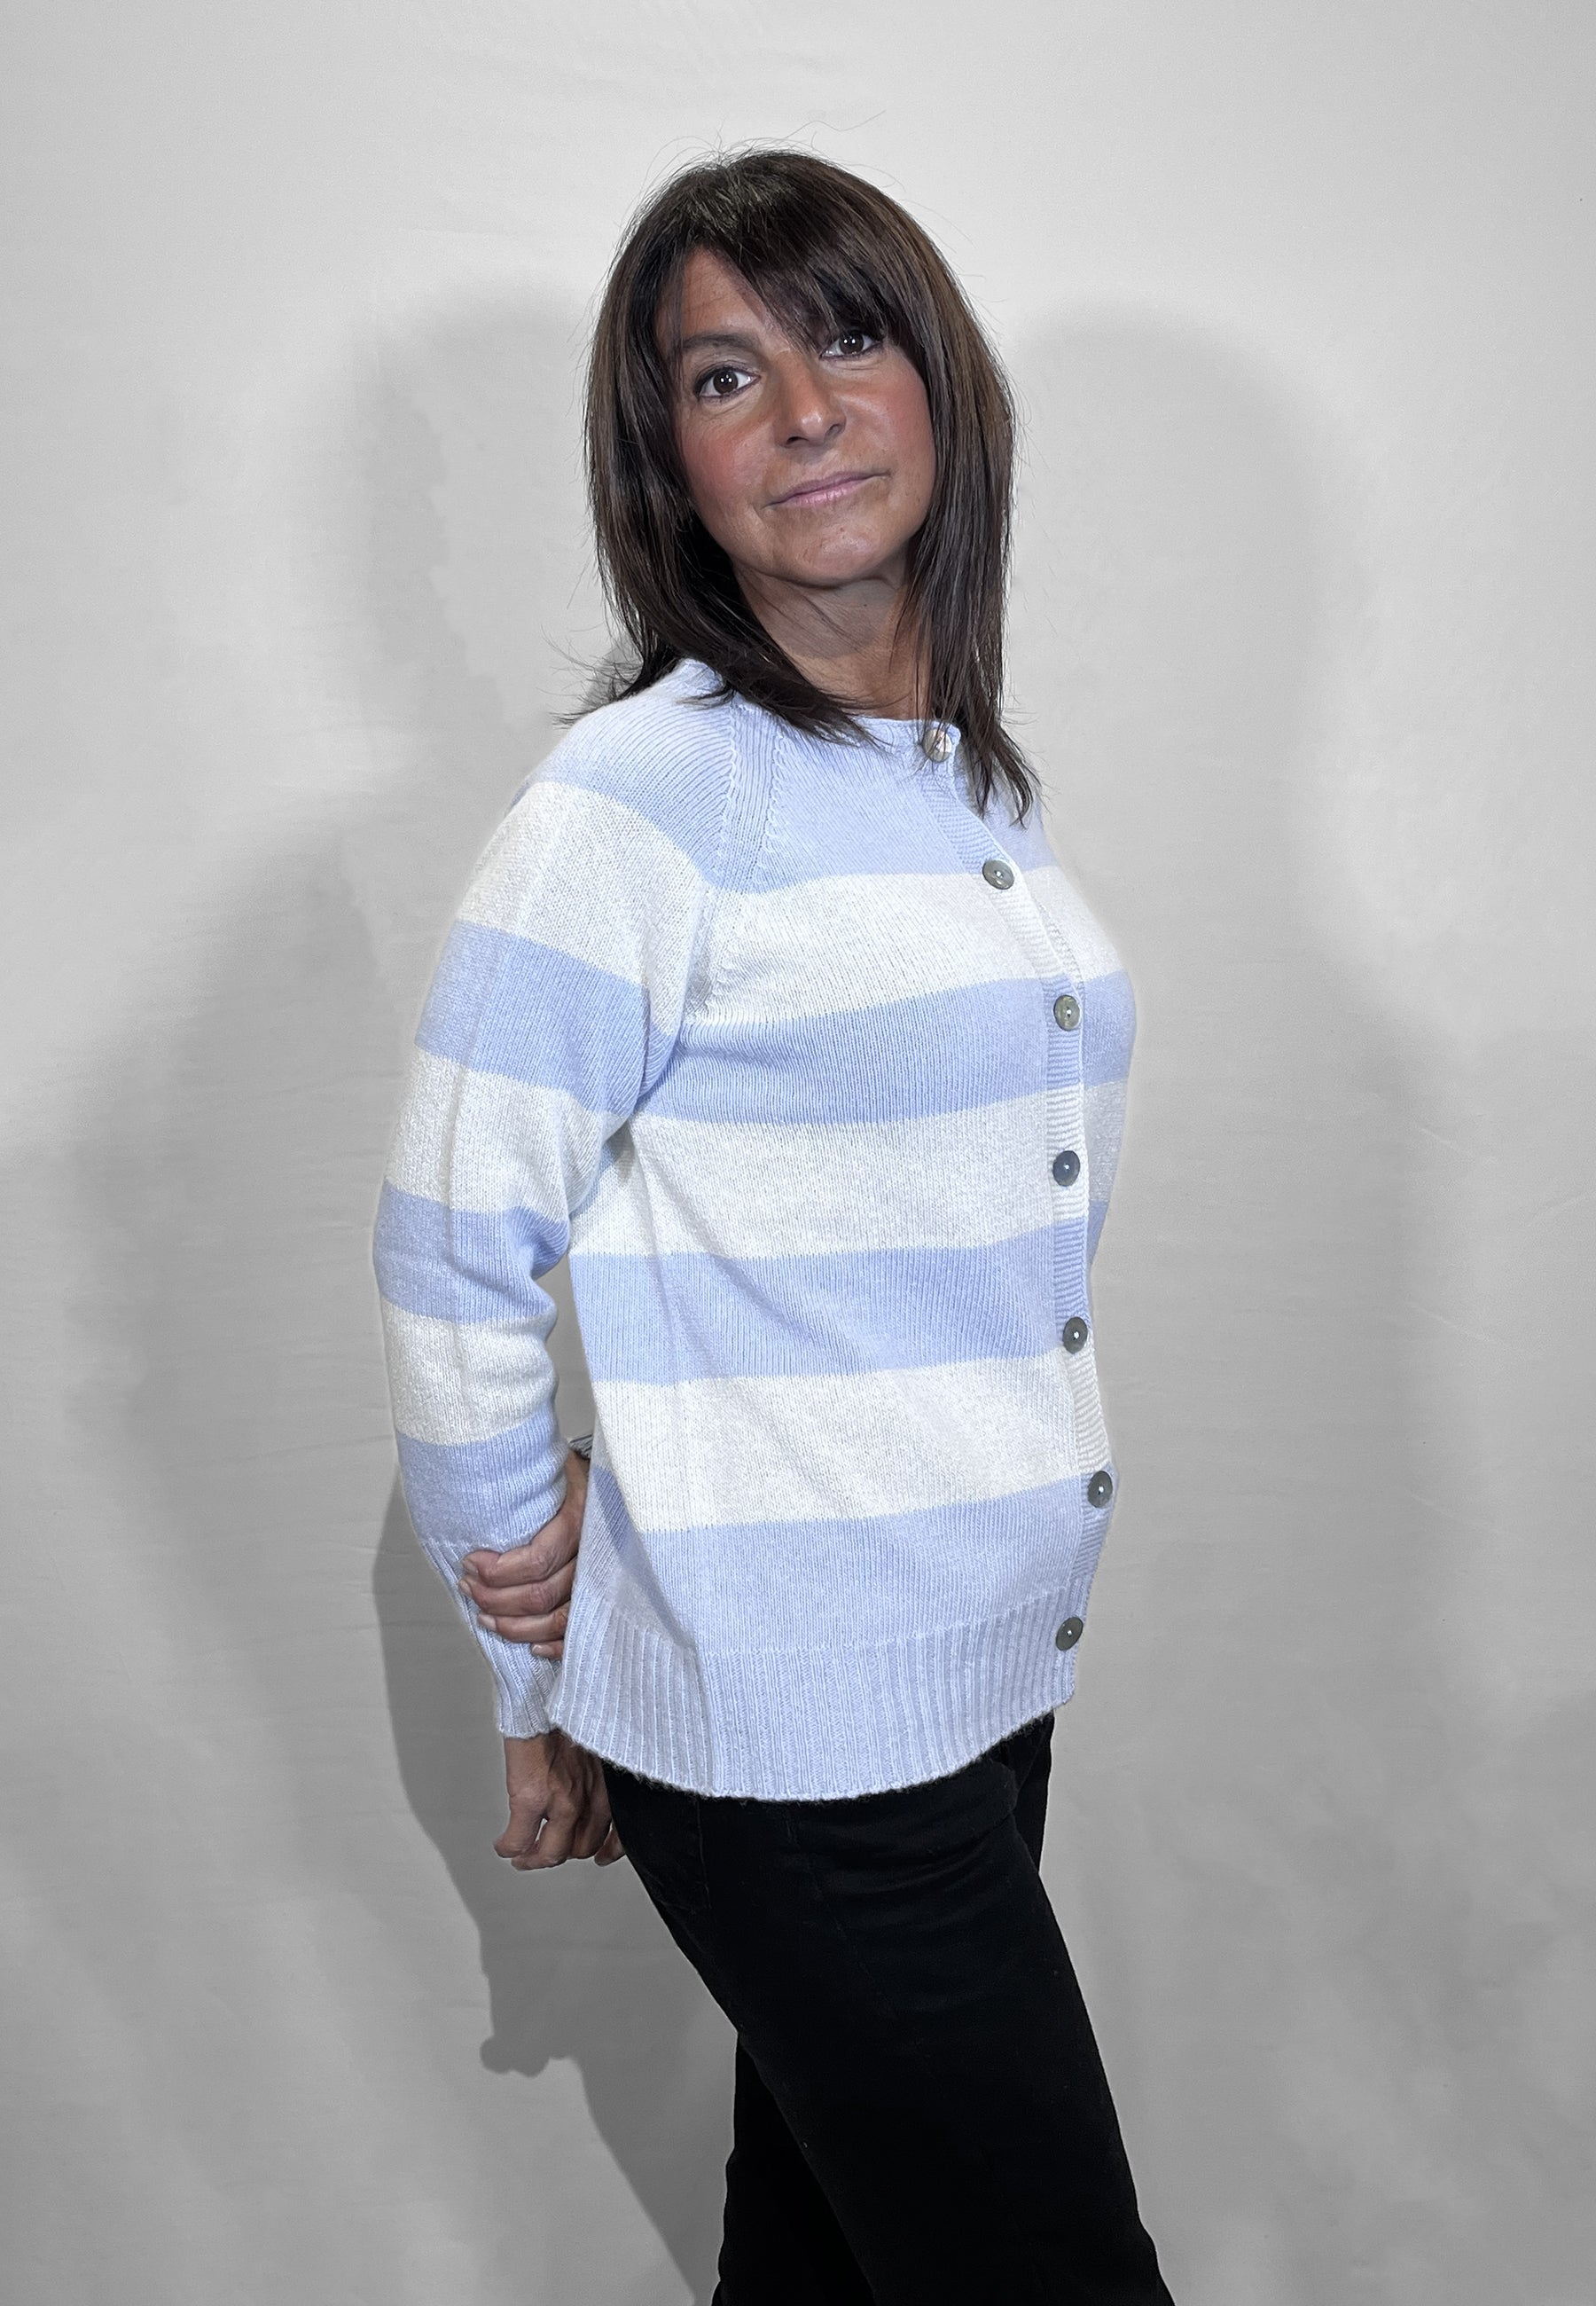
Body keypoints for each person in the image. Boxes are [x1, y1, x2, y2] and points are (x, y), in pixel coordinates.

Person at [374, 146, 1174, 2304]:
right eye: (725, 376)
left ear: (940, 386)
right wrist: (537, 1660)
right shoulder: (641, 802)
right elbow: (452, 1241)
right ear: (675, 467)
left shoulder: (960, 784)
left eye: (845, 338)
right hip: (803, 1725)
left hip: (973, 1679)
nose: (805, 409)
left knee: (830, 2265)